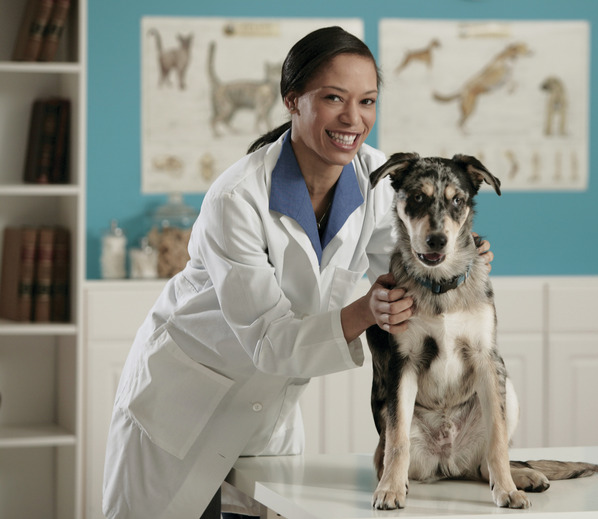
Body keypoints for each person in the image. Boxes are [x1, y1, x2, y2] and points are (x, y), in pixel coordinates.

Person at [102, 26, 492, 519]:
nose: (354, 118)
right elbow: (268, 340)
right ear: (293, 100)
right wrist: (366, 311)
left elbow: (402, 265)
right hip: (180, 417)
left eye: (367, 101)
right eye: (334, 98)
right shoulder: (237, 199)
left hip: (270, 420)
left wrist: (455, 263)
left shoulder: (374, 181)